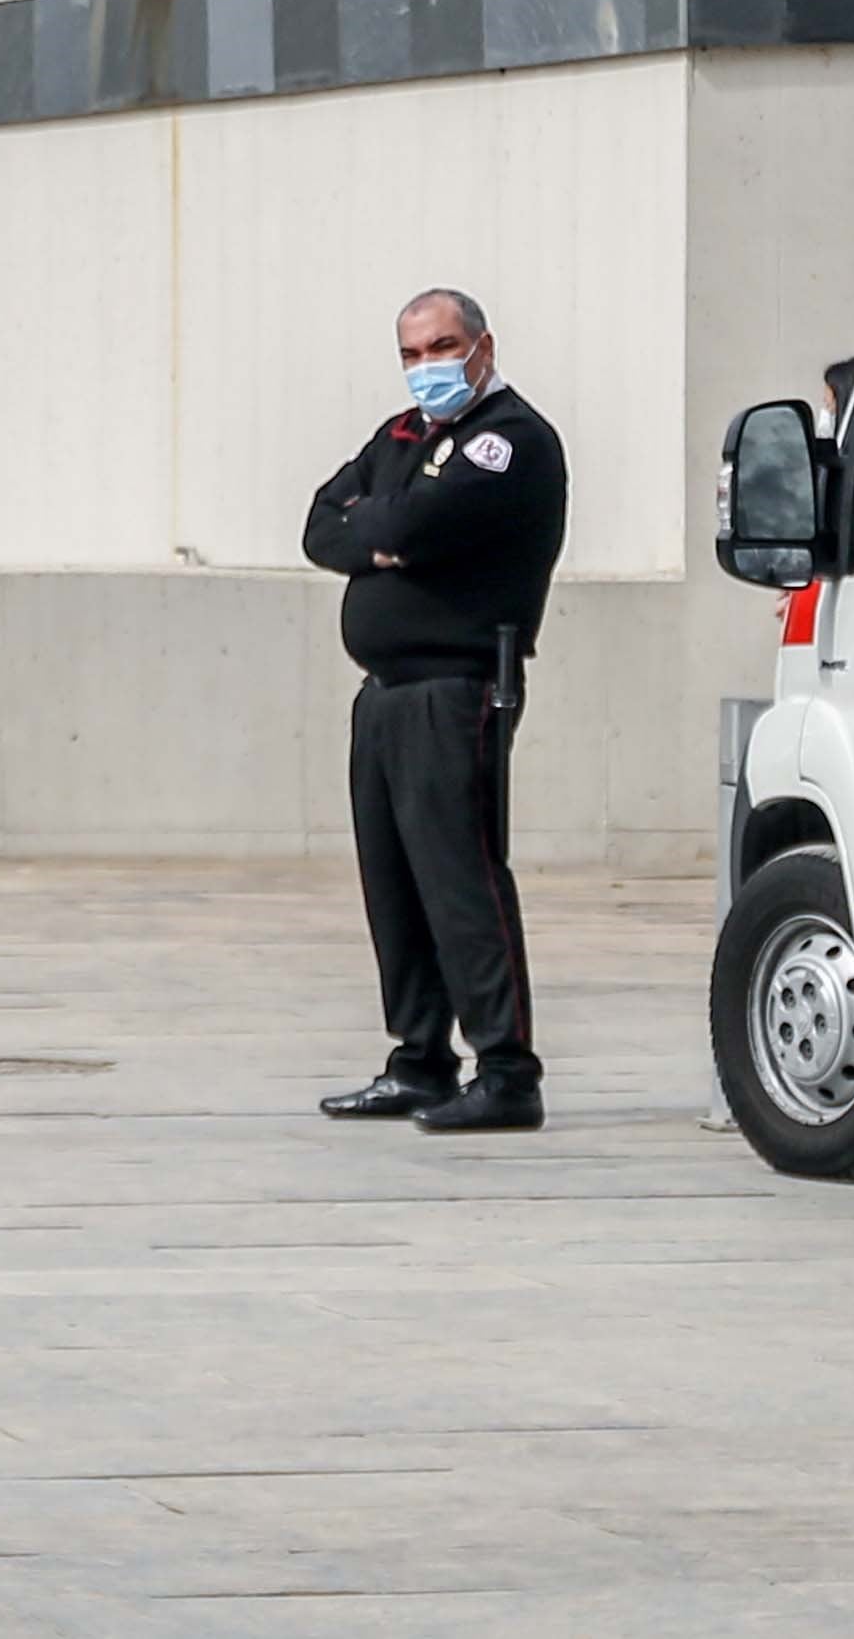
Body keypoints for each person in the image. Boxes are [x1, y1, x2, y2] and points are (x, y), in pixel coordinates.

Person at [300, 286, 569, 1134]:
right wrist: (381, 531)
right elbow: (320, 523)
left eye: (443, 347)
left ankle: (506, 1068)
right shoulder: (403, 435)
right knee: (396, 881)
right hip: (384, 693)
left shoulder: (509, 441)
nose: (428, 367)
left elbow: (423, 518)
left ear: (482, 346)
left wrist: (383, 530)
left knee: (463, 879)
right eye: (413, 353)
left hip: (459, 690)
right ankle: (419, 1057)